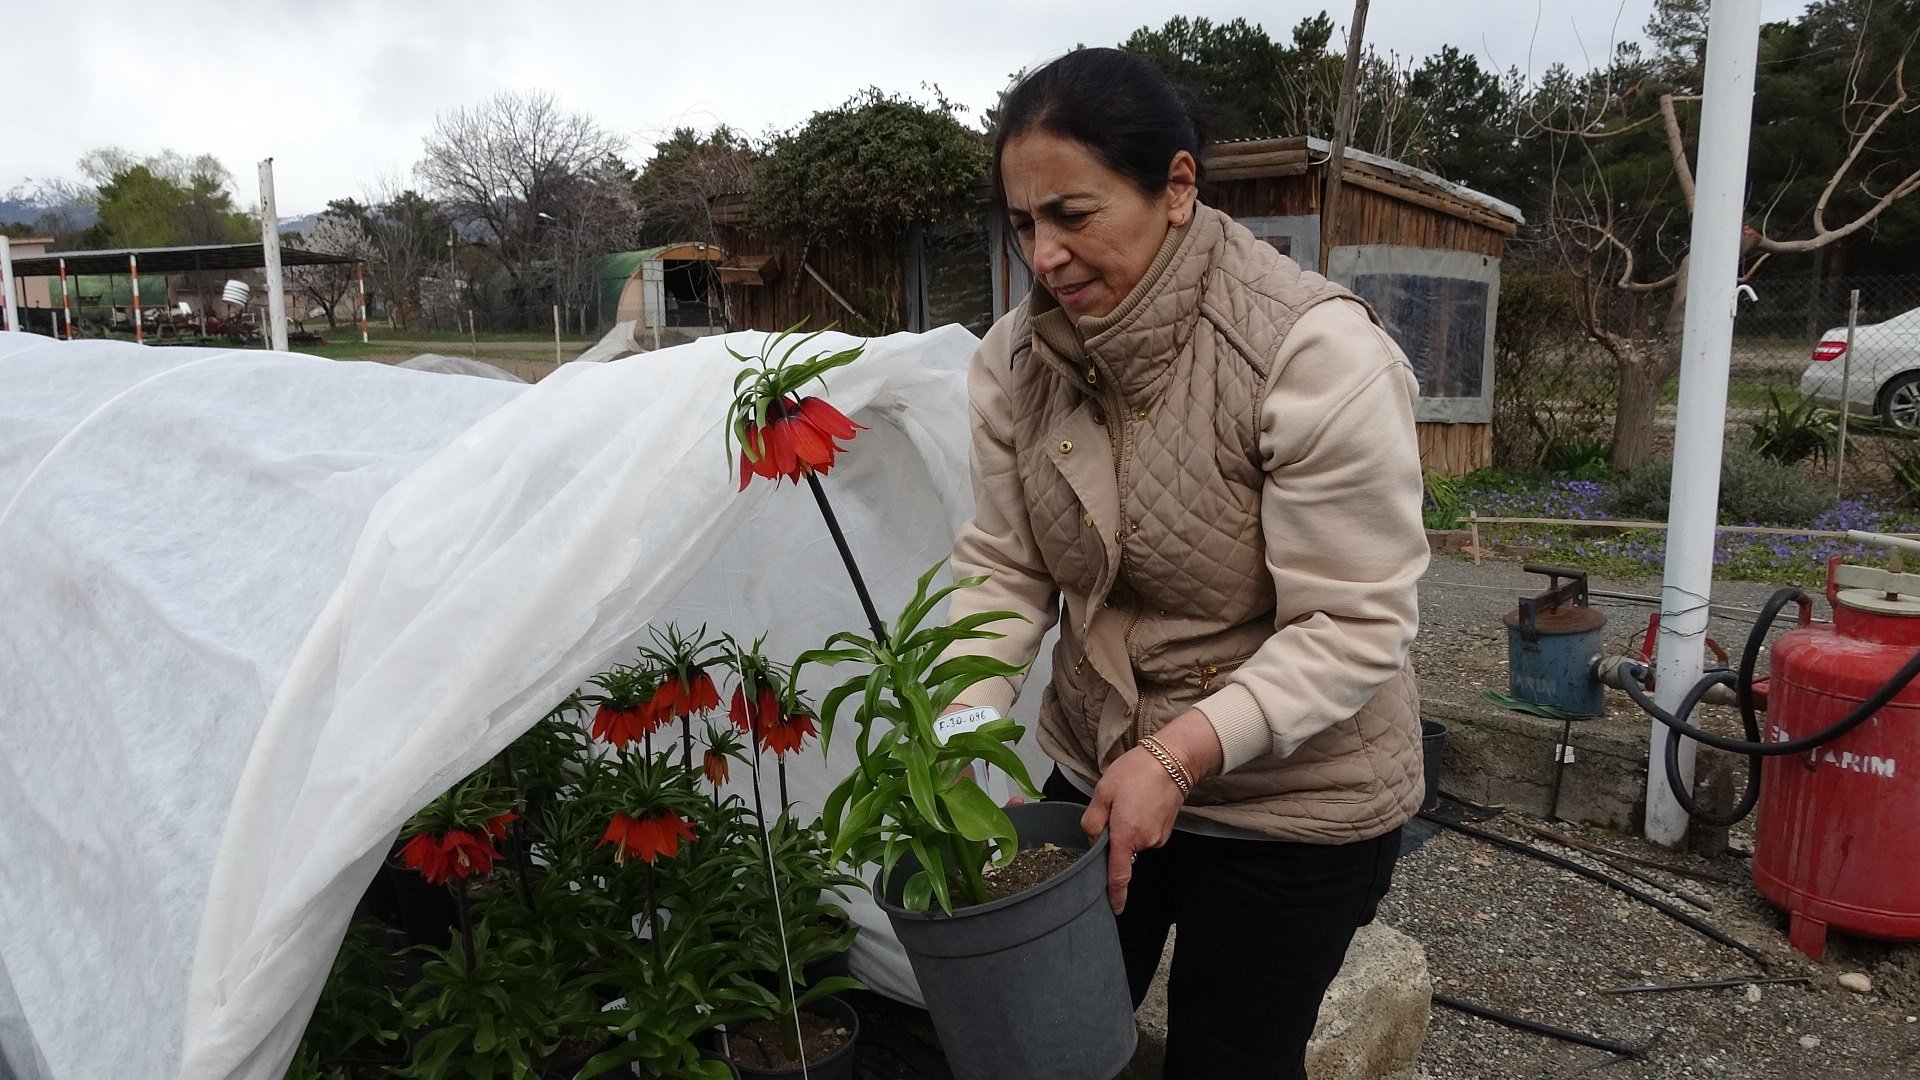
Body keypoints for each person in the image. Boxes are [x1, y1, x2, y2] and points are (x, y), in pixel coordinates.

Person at [940, 48, 1428, 1079]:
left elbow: (1355, 622)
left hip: (1295, 794)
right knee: (1051, 1032)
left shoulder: (1309, 353)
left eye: (1074, 214)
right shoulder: (1015, 363)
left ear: (1176, 188)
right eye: (1024, 224)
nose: (1046, 256)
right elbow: (1007, 561)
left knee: (1231, 1054)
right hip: (1096, 750)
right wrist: (957, 719)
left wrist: (1179, 756)